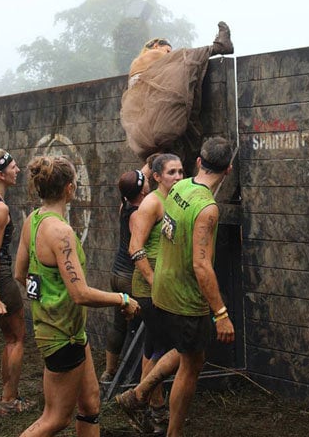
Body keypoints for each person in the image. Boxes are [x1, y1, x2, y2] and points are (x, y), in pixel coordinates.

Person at [117, 137, 235, 437]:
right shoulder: (207, 207)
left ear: (198, 162)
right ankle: (172, 431)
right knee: (191, 364)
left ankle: (138, 394)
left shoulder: (179, 189)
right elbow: (201, 264)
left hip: (162, 292)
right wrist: (220, 311)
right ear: (229, 169)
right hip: (184, 297)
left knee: (187, 353)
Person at [14, 155, 140, 437]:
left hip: (69, 332)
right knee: (55, 418)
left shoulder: (33, 220)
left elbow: (21, 274)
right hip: (61, 335)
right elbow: (80, 294)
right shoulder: (61, 232)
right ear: (70, 189)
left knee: (90, 403)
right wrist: (122, 299)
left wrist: (46, 300)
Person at [120, 21, 234, 174]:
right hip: (159, 122)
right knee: (186, 58)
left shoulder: (136, 66)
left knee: (161, 157)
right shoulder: (152, 55)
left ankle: (140, 185)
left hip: (143, 131)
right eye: (167, 50)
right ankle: (218, 47)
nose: (169, 54)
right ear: (155, 45)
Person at [128, 153, 184, 435]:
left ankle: (149, 409)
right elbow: (135, 248)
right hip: (149, 289)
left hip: (166, 285)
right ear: (157, 176)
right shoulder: (150, 204)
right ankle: (148, 404)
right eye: (171, 172)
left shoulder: (176, 199)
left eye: (180, 171)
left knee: (152, 347)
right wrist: (154, 281)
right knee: (165, 346)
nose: (177, 176)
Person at [99, 167, 150, 384]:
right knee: (139, 328)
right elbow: (136, 248)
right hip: (131, 277)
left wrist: (152, 157)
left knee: (118, 325)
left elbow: (137, 176)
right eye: (146, 180)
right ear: (141, 190)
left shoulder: (125, 205)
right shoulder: (139, 214)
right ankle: (132, 377)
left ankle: (109, 373)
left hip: (117, 274)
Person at [0, 149, 35, 416]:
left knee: (8, 337)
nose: (18, 170)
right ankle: (9, 401)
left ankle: (5, 394)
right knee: (16, 338)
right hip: (0, 278)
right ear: (0, 174)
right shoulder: (0, 208)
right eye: (13, 166)